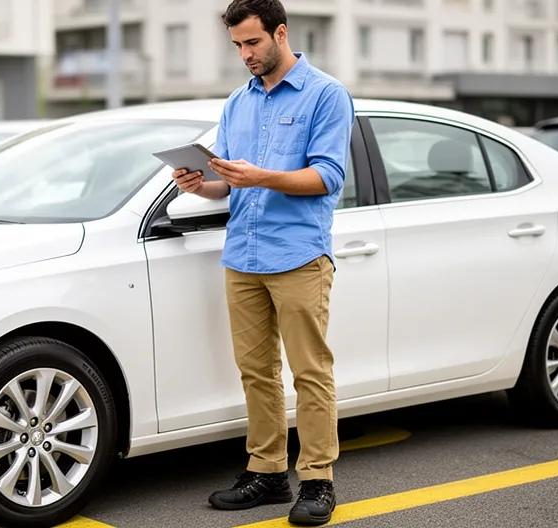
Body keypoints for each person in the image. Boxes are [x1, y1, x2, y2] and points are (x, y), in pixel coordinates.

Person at [171, 0, 354, 525]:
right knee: (256, 372)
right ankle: (268, 473)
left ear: (280, 33)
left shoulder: (326, 94)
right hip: (243, 256)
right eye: (237, 46)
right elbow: (227, 183)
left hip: (298, 255)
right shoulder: (238, 102)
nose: (245, 54)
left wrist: (262, 176)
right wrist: (199, 185)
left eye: (252, 42)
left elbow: (327, 177)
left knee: (310, 372)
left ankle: (317, 480)